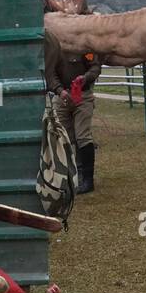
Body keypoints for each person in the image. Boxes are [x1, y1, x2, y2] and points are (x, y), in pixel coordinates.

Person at [43, 20, 103, 194]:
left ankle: (88, 180)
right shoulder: (54, 48)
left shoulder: (84, 45)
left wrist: (84, 78)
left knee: (82, 135)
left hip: (82, 96)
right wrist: (59, 90)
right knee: (65, 138)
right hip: (62, 97)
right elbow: (50, 72)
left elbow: (95, 67)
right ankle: (71, 176)